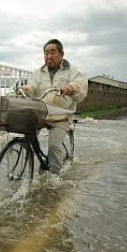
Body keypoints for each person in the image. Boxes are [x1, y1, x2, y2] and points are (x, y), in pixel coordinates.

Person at [20, 38, 88, 176]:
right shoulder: (38, 72)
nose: (49, 56)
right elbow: (32, 86)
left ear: (61, 54)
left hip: (61, 116)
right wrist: (25, 89)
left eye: (53, 52)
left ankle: (55, 177)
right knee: (26, 134)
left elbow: (81, 86)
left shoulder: (72, 71)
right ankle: (32, 162)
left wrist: (70, 88)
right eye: (46, 53)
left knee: (54, 146)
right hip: (41, 113)